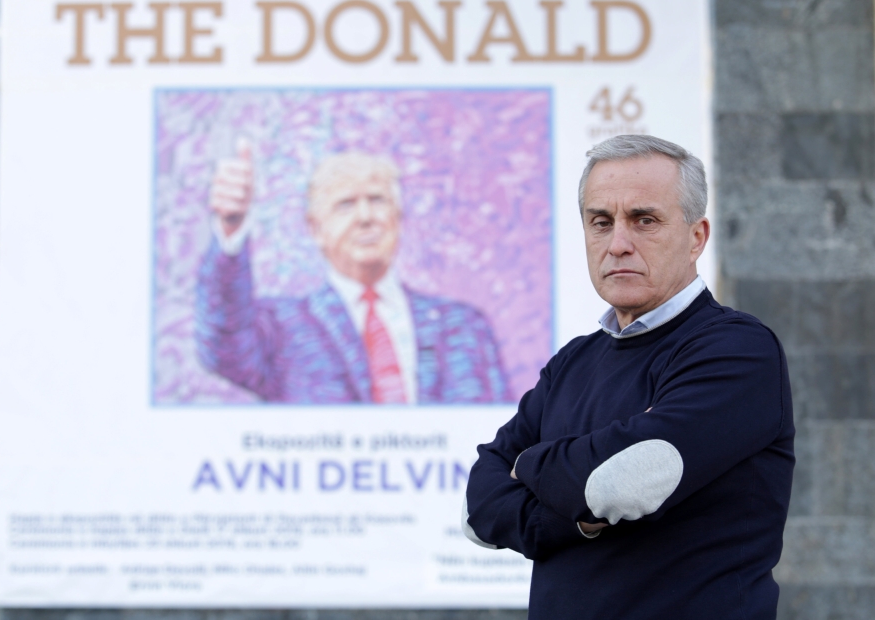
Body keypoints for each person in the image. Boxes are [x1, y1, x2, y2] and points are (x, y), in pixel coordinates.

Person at [463, 134, 794, 619]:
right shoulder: (573, 361)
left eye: (644, 220)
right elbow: (479, 510)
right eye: (601, 222)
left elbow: (622, 483)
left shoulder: (738, 350)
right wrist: (579, 520)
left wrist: (529, 463)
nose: (618, 243)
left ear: (696, 237)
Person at [195, 142, 510, 404]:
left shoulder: (466, 329)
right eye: (345, 204)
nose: (365, 217)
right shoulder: (280, 331)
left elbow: (506, 441)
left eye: (377, 200)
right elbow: (223, 344)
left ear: (398, 218)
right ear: (316, 229)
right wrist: (232, 230)